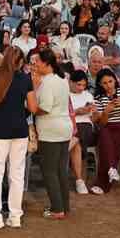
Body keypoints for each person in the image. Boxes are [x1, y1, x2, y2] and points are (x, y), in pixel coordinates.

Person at [0, 46, 38, 233]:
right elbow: (33, 108)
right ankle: (15, 215)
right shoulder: (24, 79)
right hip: (19, 128)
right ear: (20, 62)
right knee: (16, 174)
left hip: (0, 129)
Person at [31, 47, 72, 219]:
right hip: (64, 127)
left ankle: (57, 209)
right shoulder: (61, 79)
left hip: (50, 129)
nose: (35, 64)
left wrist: (31, 109)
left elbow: (44, 108)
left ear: (46, 63)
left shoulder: (48, 82)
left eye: (38, 62)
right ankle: (64, 206)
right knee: (61, 169)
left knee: (49, 170)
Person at [88, 69, 120, 194]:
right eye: (104, 83)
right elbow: (102, 123)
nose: (108, 85)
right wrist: (107, 111)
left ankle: (104, 180)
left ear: (115, 80)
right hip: (108, 128)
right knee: (104, 133)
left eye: (110, 81)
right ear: (100, 85)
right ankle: (112, 169)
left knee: (105, 142)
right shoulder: (98, 98)